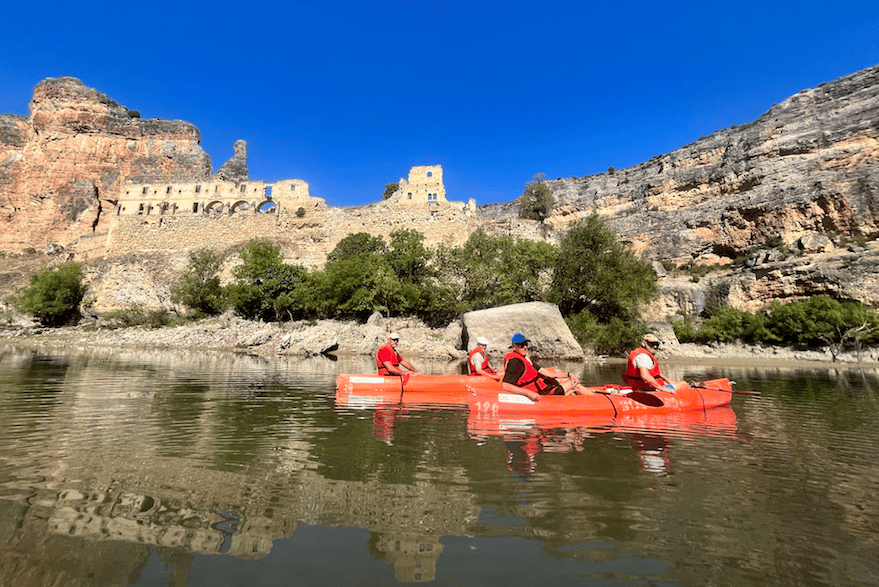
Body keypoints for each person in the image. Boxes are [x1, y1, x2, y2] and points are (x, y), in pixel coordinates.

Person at [501, 333, 582, 401]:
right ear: (514, 347)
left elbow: (548, 373)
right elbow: (505, 386)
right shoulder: (515, 363)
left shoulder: (525, 359)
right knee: (574, 384)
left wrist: (569, 374)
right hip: (540, 394)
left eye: (526, 344)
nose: (525, 347)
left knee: (570, 383)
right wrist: (528, 393)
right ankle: (592, 400)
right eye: (521, 345)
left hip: (542, 389)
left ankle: (585, 398)